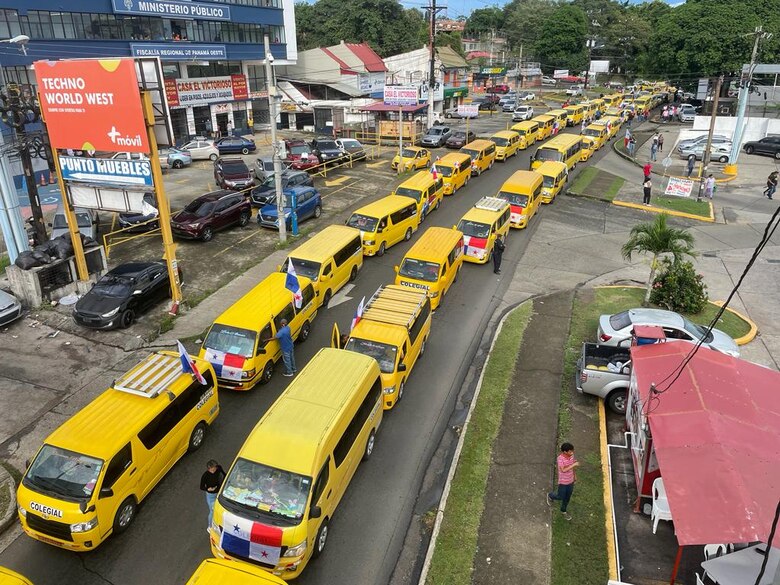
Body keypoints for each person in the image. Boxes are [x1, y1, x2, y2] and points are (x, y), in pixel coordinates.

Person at [547, 442, 579, 521]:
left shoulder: (571, 456)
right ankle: (550, 495)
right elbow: (563, 470)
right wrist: (573, 465)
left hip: (570, 481)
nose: (572, 453)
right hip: (563, 482)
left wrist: (574, 475)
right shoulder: (560, 459)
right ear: (565, 452)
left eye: (572, 451)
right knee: (560, 496)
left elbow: (572, 467)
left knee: (567, 497)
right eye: (570, 451)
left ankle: (563, 510)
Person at [201, 460, 225, 530]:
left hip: (220, 492)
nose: (214, 470)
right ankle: (210, 526)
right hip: (211, 495)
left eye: (215, 468)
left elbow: (224, 474)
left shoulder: (219, 468)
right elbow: (201, 487)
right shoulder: (205, 476)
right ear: (208, 469)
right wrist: (208, 489)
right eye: (212, 469)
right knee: (212, 510)